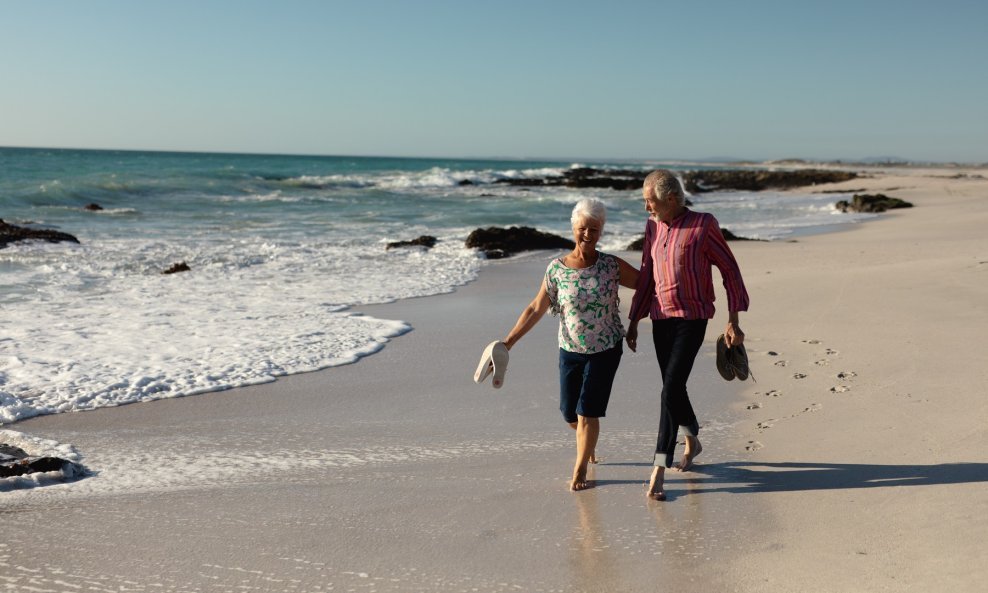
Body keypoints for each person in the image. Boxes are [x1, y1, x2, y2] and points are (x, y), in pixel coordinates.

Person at [625, 170, 749, 501]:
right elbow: (648, 273)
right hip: (660, 317)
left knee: (669, 390)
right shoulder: (652, 227)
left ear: (670, 199)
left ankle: (659, 468)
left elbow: (729, 270)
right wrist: (635, 318)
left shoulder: (703, 225)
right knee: (674, 388)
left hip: (692, 319)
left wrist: (733, 319)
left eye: (648, 201)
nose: (645, 207)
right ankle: (692, 436)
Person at [502, 198, 639, 491]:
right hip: (570, 350)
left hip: (605, 348)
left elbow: (648, 284)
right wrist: (508, 342)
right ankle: (586, 443)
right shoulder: (556, 270)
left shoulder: (611, 266)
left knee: (587, 411)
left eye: (594, 229)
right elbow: (536, 308)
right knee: (569, 412)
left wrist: (636, 322)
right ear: (573, 228)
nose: (588, 235)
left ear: (601, 231)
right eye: (583, 228)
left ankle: (580, 470)